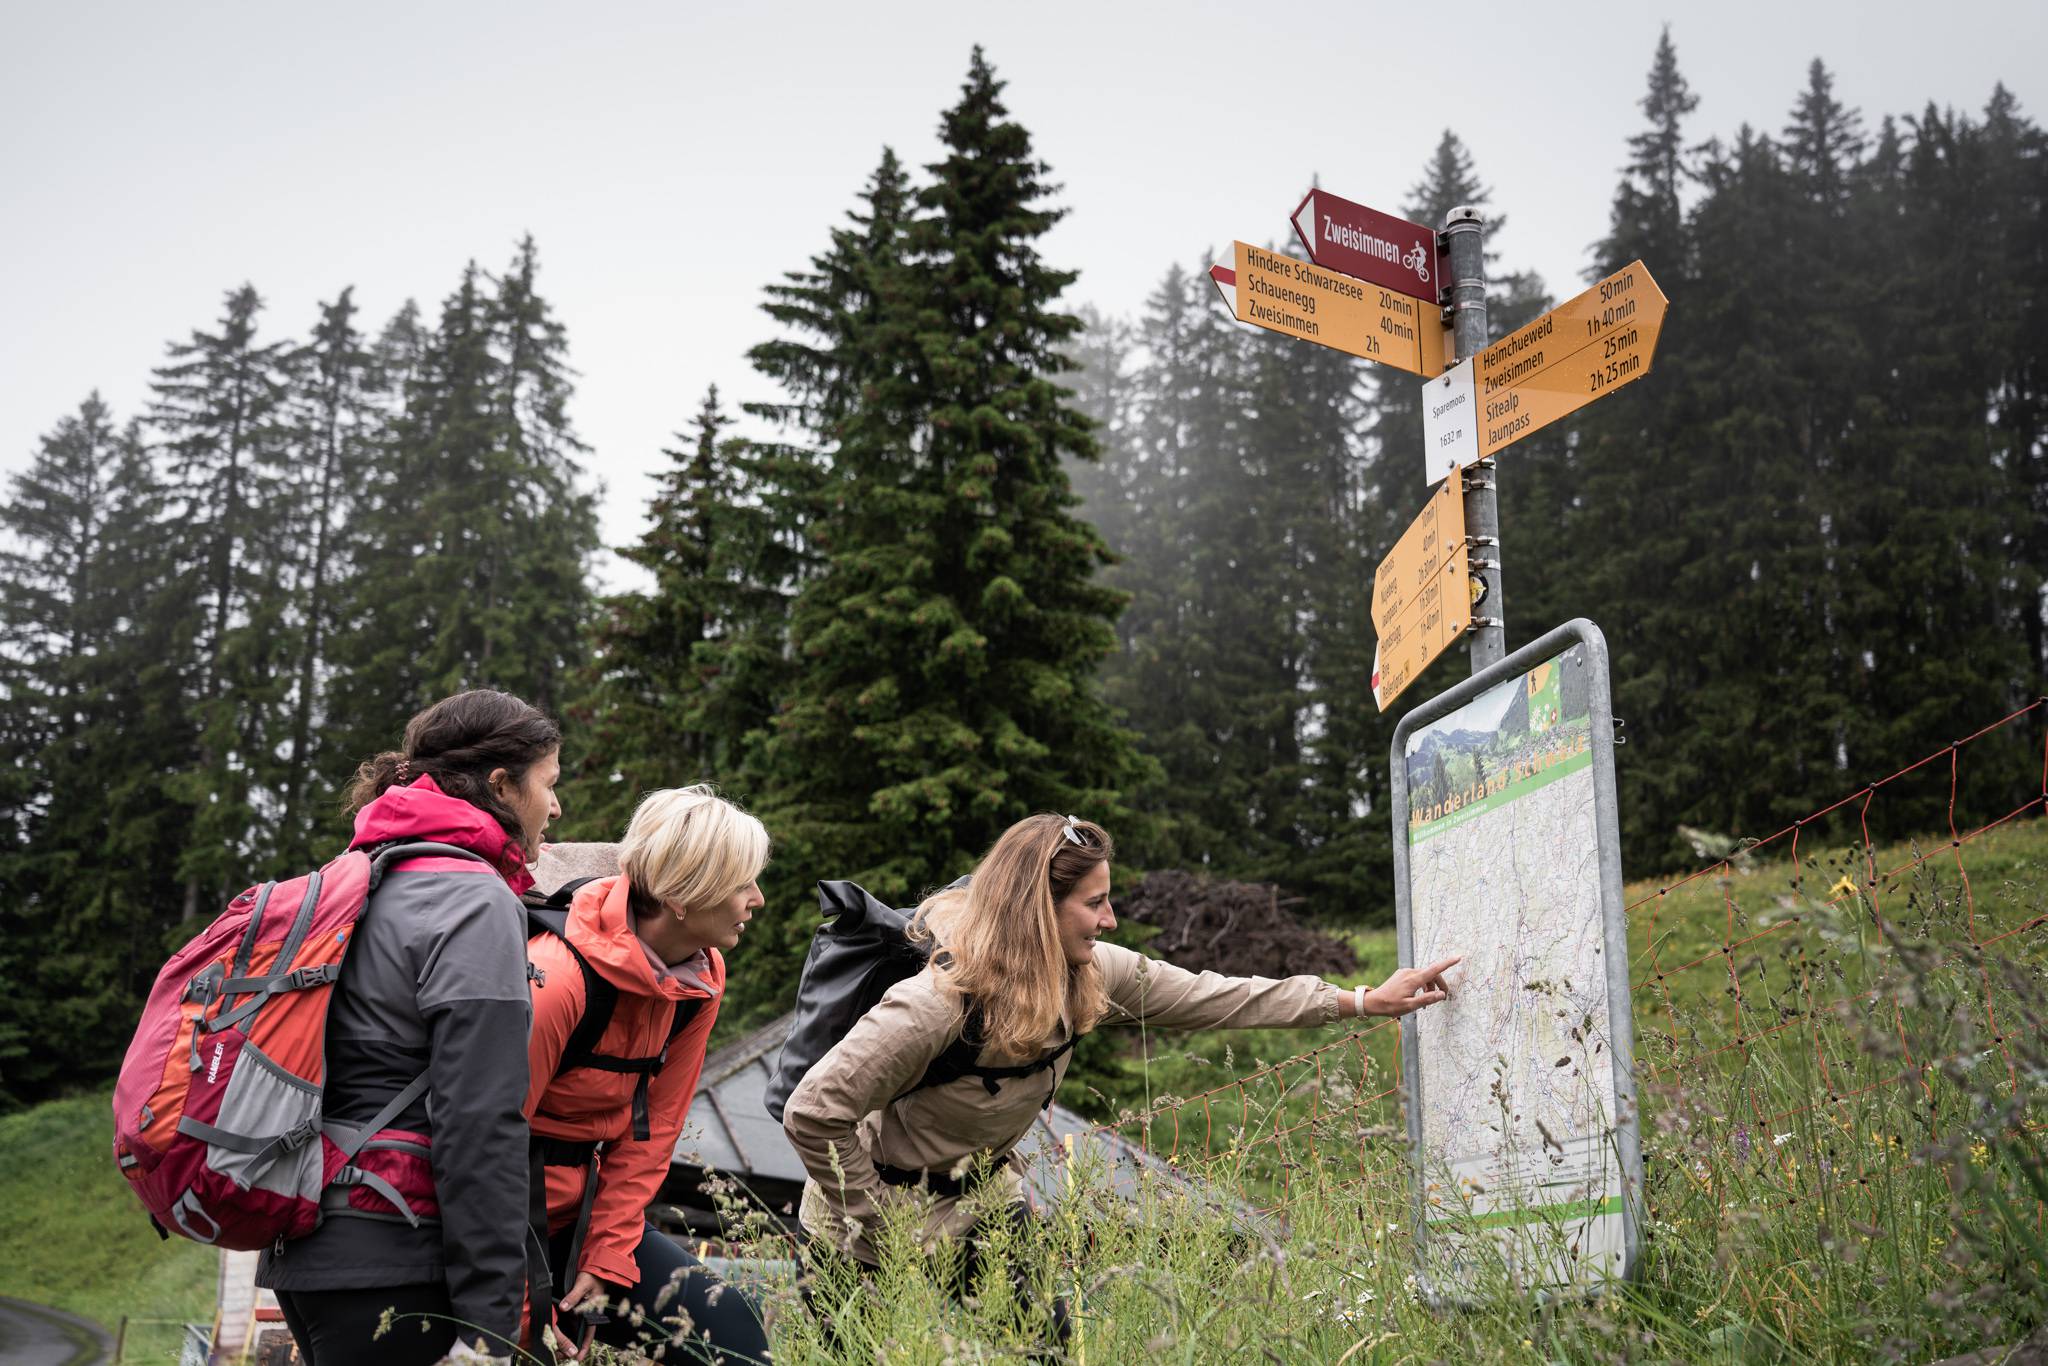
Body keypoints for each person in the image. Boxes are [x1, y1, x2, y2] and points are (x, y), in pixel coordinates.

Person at [782, 812, 1460, 1344]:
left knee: (1040, 1346)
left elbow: (1216, 998)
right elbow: (815, 1111)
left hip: (983, 1202)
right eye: (1094, 903)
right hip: (863, 1217)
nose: (1109, 920)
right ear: (1036, 909)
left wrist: (1363, 1000)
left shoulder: (1094, 971)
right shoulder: (936, 1005)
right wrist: (879, 1219)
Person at [258, 690, 562, 1366]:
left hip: (309, 1246)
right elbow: (478, 1119)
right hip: (397, 1251)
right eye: (550, 783)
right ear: (502, 785)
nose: (556, 807)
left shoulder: (357, 876)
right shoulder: (474, 900)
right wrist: (489, 1332)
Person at [523, 788, 774, 1364]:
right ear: (686, 895)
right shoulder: (558, 979)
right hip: (490, 1227)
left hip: (584, 1221)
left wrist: (608, 1253)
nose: (757, 899)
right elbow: (480, 1143)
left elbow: (654, 1130)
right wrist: (519, 1300)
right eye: (743, 884)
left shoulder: (700, 979)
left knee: (729, 1336)